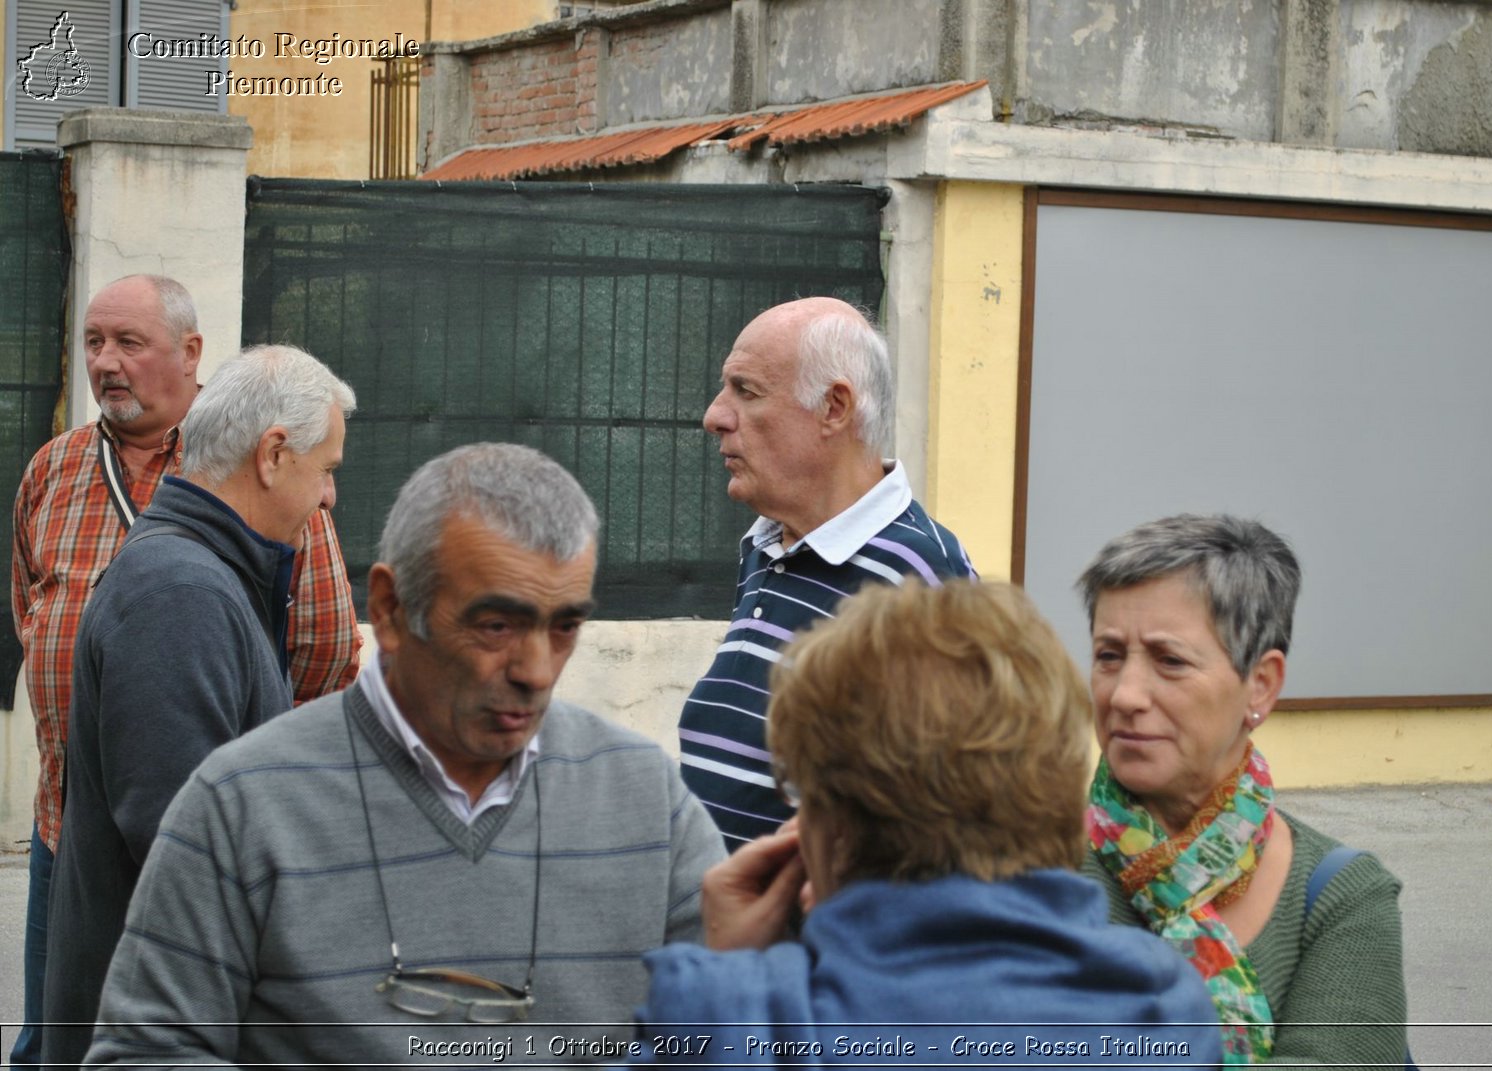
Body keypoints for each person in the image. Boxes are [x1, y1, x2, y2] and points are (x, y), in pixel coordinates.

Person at [85, 443, 726, 1067]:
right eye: (496, 626)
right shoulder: (242, 804)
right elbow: (145, 1051)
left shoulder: (649, 804)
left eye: (563, 627)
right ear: (390, 610)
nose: (536, 670)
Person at [636, 581, 1222, 1066]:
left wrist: (730, 971)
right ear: (1065, 806)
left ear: (825, 830)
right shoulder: (1163, 1009)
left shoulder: (743, 1027)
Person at [8, 275, 361, 1068]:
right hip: (155, 997)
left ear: (190, 354)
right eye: (326, 467)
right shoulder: (178, 590)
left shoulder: (205, 567)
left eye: (128, 342)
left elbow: (327, 655)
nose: (331, 495)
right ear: (272, 455)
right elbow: (189, 847)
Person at [1076, 514, 1409, 1067]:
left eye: (1170, 661)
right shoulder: (1033, 869)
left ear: (1261, 684)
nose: (1126, 694)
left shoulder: (1343, 898)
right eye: (1109, 655)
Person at [682, 297, 975, 848]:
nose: (715, 416)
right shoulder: (767, 543)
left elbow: (946, 823)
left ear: (834, 408)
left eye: (746, 391)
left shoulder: (921, 583)